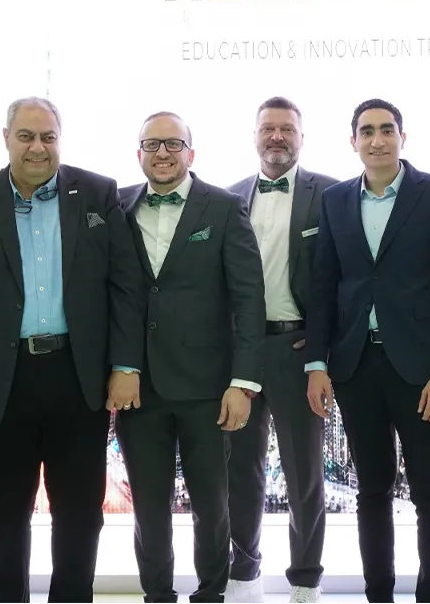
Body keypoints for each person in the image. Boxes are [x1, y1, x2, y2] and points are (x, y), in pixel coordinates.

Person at [0, 96, 147, 603]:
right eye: (26, 136)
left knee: (81, 513)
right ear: (6, 138)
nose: (37, 147)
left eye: (48, 137)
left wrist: (125, 365)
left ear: (59, 140)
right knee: (4, 514)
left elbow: (125, 286)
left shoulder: (97, 193)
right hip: (0, 384)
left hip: (79, 378)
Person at [306, 98, 430, 603]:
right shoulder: (335, 199)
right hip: (356, 367)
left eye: (386, 129)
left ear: (403, 136)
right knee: (371, 492)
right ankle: (378, 594)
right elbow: (323, 286)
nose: (376, 140)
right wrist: (317, 363)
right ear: (353, 141)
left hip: (421, 371)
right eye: (366, 131)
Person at [116, 111, 265, 603]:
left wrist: (243, 382)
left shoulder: (223, 207)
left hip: (209, 387)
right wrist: (119, 367)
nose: (162, 153)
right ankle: (157, 595)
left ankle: (211, 594)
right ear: (139, 153)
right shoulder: (117, 207)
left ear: (191, 152)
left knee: (212, 505)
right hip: (140, 387)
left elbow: (249, 299)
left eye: (173, 144)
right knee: (148, 509)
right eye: (152, 144)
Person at [225, 97, 338, 604]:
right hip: (240, 353)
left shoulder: (330, 194)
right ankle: (243, 573)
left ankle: (306, 581)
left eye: (286, 129)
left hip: (298, 350)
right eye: (268, 128)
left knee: (304, 474)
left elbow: (341, 278)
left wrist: (320, 349)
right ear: (254, 136)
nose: (277, 136)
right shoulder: (229, 197)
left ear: (301, 137)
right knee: (239, 470)